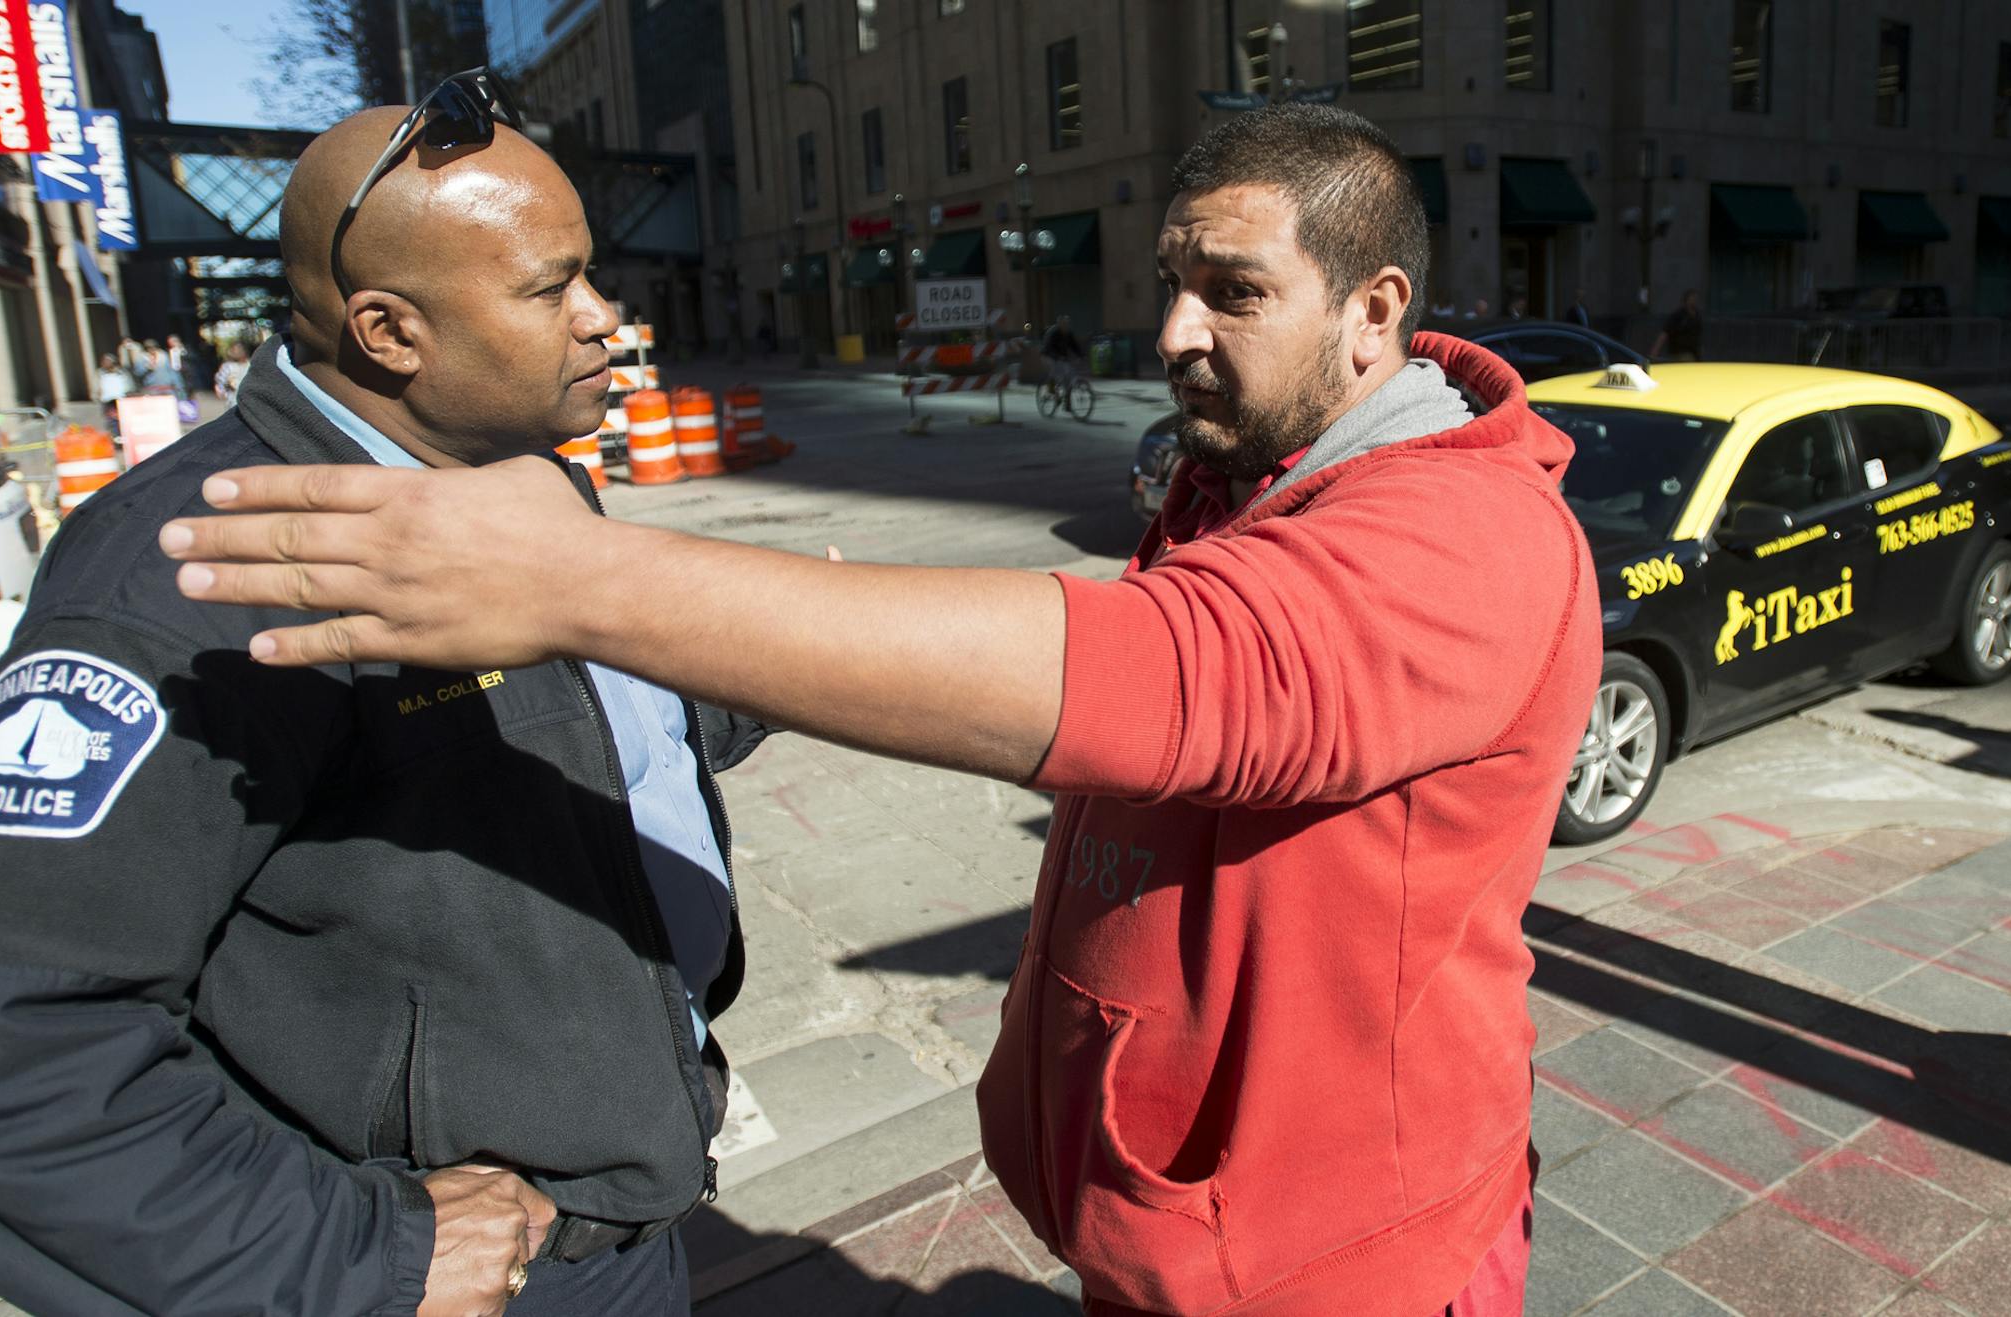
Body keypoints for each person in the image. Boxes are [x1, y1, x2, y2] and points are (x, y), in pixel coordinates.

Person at [163, 104, 1600, 1315]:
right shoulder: (1243, 468)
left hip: (1343, 1252)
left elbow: (1173, 676)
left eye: (1231, 291)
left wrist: (579, 581)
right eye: (1169, 280)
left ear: (1376, 313)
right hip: (1178, 1220)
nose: (1170, 330)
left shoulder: (1466, 535)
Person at [0, 84, 773, 1317]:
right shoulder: (202, 572)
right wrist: (365, 1254)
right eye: (552, 288)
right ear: (388, 332)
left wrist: (759, 676)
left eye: (595, 278)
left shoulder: (519, 479)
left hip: (627, 1214)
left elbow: (579, 735)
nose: (604, 322)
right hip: (480, 1281)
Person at [1652, 288, 1703, 360]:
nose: (1694, 301)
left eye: (1695, 298)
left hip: (1694, 352)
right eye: (1692, 298)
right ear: (1686, 300)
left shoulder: (1697, 315)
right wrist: (1655, 351)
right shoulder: (1679, 315)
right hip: (1680, 352)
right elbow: (1665, 333)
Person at [1040, 313, 1085, 388]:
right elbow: (1048, 347)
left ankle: (1067, 394)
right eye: (1064, 324)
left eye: (1067, 324)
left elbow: (1074, 346)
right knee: (1055, 370)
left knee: (1067, 371)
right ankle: (1051, 389)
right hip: (1047, 355)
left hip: (1061, 356)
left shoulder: (1068, 333)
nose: (1066, 326)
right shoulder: (1053, 333)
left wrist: (1081, 355)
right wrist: (1057, 357)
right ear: (1059, 324)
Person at [214, 339, 252, 406]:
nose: (235, 351)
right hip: (233, 403)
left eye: (238, 349)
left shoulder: (251, 365)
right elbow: (220, 384)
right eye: (233, 349)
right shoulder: (227, 367)